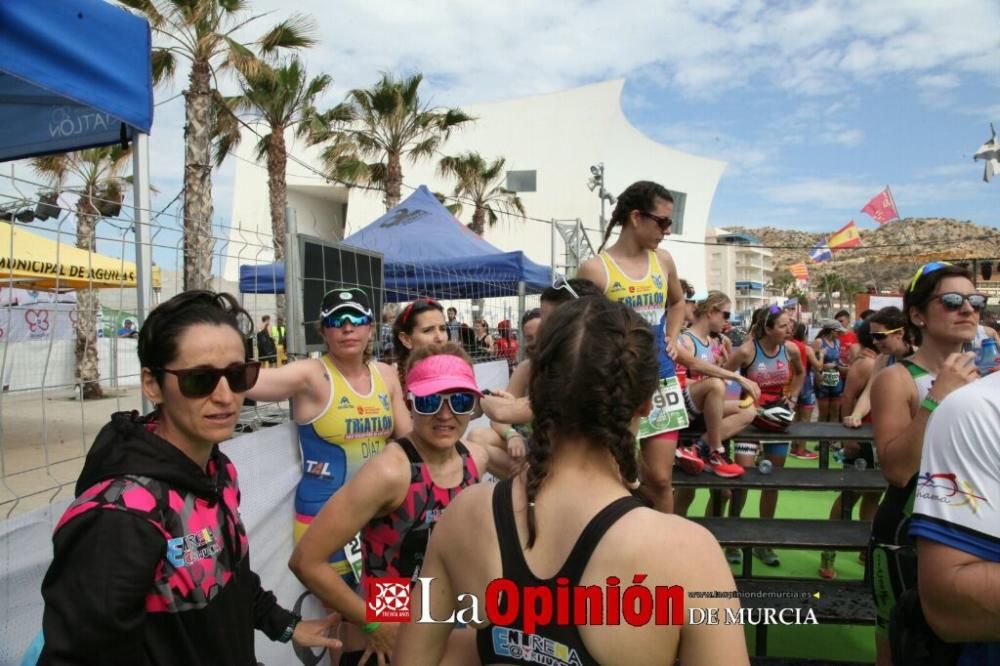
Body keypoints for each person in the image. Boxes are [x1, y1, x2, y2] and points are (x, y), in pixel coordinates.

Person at [395, 297, 748, 666]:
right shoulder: (690, 555)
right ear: (646, 403)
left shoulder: (464, 514)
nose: (445, 415)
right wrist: (370, 624)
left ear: (537, 392)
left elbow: (412, 656)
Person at [38, 291, 340, 665]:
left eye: (237, 375)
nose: (227, 396)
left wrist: (285, 625)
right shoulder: (120, 516)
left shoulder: (218, 469)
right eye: (200, 380)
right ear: (152, 385)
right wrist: (379, 626)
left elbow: (228, 574)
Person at [290, 344, 489, 666]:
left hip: (445, 624)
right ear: (409, 402)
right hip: (387, 634)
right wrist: (374, 622)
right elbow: (306, 560)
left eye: (460, 401)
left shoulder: (474, 460)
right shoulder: (390, 471)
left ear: (475, 406)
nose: (445, 414)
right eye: (429, 401)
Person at [245, 287, 410, 586]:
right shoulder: (310, 375)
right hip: (325, 518)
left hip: (379, 516)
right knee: (342, 618)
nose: (348, 327)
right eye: (337, 321)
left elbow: (410, 442)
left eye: (357, 319)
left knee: (387, 615)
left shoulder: (385, 375)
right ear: (323, 331)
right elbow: (251, 382)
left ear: (370, 328)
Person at [868, 262, 980, 666]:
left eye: (974, 300)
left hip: (969, 530)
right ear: (917, 315)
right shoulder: (896, 379)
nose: (967, 309)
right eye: (951, 301)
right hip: (907, 533)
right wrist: (938, 397)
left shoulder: (986, 376)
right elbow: (897, 470)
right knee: (902, 645)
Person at [576, 180, 688, 514]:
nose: (667, 231)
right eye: (663, 222)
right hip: (617, 388)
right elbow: (579, 329)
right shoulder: (595, 269)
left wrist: (672, 335)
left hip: (662, 380)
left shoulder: (663, 261)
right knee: (617, 479)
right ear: (637, 217)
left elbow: (678, 302)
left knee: (661, 481)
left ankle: (663, 555)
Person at [909, 372, 1000, 665]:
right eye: (881, 335)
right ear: (919, 322)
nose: (969, 321)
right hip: (928, 512)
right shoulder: (976, 405)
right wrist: (934, 402)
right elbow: (898, 471)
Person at [726, 304, 805, 567]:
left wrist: (792, 396)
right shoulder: (748, 350)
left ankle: (764, 542)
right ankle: (734, 539)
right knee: (743, 479)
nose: (789, 329)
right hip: (749, 421)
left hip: (778, 421)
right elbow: (724, 375)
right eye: (783, 326)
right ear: (768, 329)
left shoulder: (790, 349)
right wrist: (742, 401)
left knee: (771, 481)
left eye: (789, 325)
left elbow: (801, 373)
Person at [819, 320, 883, 579]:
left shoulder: (880, 361)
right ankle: (828, 553)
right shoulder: (866, 363)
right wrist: (849, 438)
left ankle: (866, 549)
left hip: (879, 438)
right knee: (849, 497)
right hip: (861, 438)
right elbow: (848, 398)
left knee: (873, 497)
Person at [842, 306, 914, 429]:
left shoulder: (920, 358)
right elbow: (869, 392)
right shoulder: (882, 359)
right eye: (872, 336)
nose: (875, 342)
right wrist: (856, 415)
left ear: (900, 333)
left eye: (879, 336)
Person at [392, 298, 448, 389]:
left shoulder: (458, 370)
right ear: (406, 339)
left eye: (443, 329)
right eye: (428, 330)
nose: (440, 338)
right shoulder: (389, 379)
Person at [790, 323, 822, 460]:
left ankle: (794, 446)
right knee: (805, 418)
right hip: (807, 382)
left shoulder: (788, 345)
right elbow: (819, 366)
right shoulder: (809, 347)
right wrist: (822, 355)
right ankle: (800, 449)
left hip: (794, 383)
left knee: (796, 416)